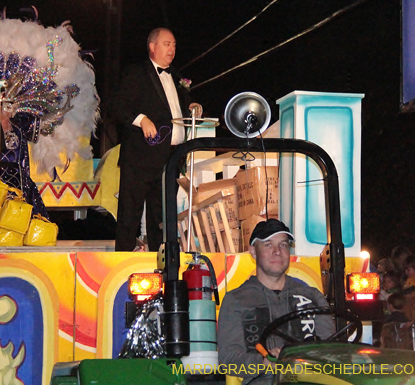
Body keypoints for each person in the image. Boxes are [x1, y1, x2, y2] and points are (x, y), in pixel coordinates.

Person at [110, 28, 201, 251]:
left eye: (174, 45)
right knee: (130, 214)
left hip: (170, 159)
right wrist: (141, 120)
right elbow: (117, 106)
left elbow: (178, 107)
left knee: (161, 218)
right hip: (140, 157)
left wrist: (192, 106)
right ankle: (122, 263)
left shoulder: (178, 77)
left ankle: (160, 264)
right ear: (152, 46)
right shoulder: (137, 72)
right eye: (167, 44)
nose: (172, 49)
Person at [218, 219, 335, 385]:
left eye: (283, 245)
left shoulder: (312, 295)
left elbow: (331, 350)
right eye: (268, 245)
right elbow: (228, 359)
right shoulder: (236, 300)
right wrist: (263, 362)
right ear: (253, 252)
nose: (277, 251)